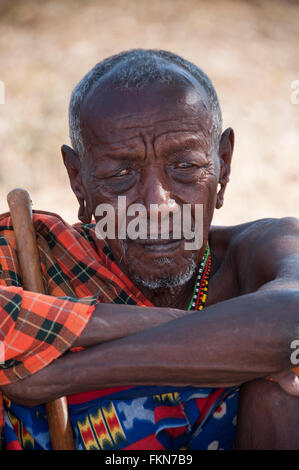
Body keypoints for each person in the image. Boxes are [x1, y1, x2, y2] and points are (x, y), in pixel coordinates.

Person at [0, 49, 298, 450]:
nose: (157, 206)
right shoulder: (39, 257)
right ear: (78, 179)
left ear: (223, 164)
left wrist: (58, 376)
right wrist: (220, 335)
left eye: (185, 167)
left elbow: (292, 320)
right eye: (120, 174)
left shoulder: (261, 251)